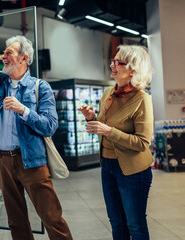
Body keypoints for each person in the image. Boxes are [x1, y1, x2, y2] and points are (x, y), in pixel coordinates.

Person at [0, 36, 72, 240]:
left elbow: (50, 126)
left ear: (23, 58)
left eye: (9, 52)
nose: (3, 56)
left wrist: (24, 110)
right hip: (3, 161)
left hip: (32, 161)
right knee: (16, 221)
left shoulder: (40, 87)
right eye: (4, 52)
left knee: (51, 217)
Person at [78, 45, 154, 240]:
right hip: (108, 166)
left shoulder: (142, 99)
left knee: (135, 224)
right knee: (116, 221)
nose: (112, 64)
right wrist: (91, 117)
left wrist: (110, 131)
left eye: (118, 62)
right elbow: (103, 128)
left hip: (133, 170)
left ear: (133, 69)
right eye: (112, 60)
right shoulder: (109, 93)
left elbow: (142, 143)